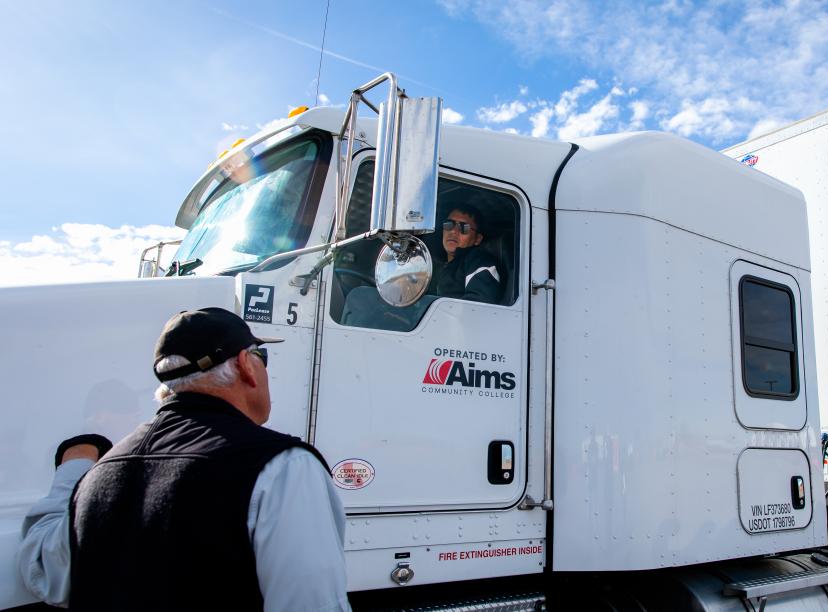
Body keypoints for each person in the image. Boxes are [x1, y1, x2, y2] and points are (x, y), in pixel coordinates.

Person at [18, 307, 351, 612]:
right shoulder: (283, 467)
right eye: (261, 356)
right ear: (246, 365)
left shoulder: (98, 474)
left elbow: (44, 573)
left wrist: (73, 466)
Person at [433, 205, 503, 304]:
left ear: (477, 239)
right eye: (449, 224)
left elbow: (477, 308)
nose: (453, 231)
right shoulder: (432, 265)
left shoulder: (480, 262)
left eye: (464, 227)